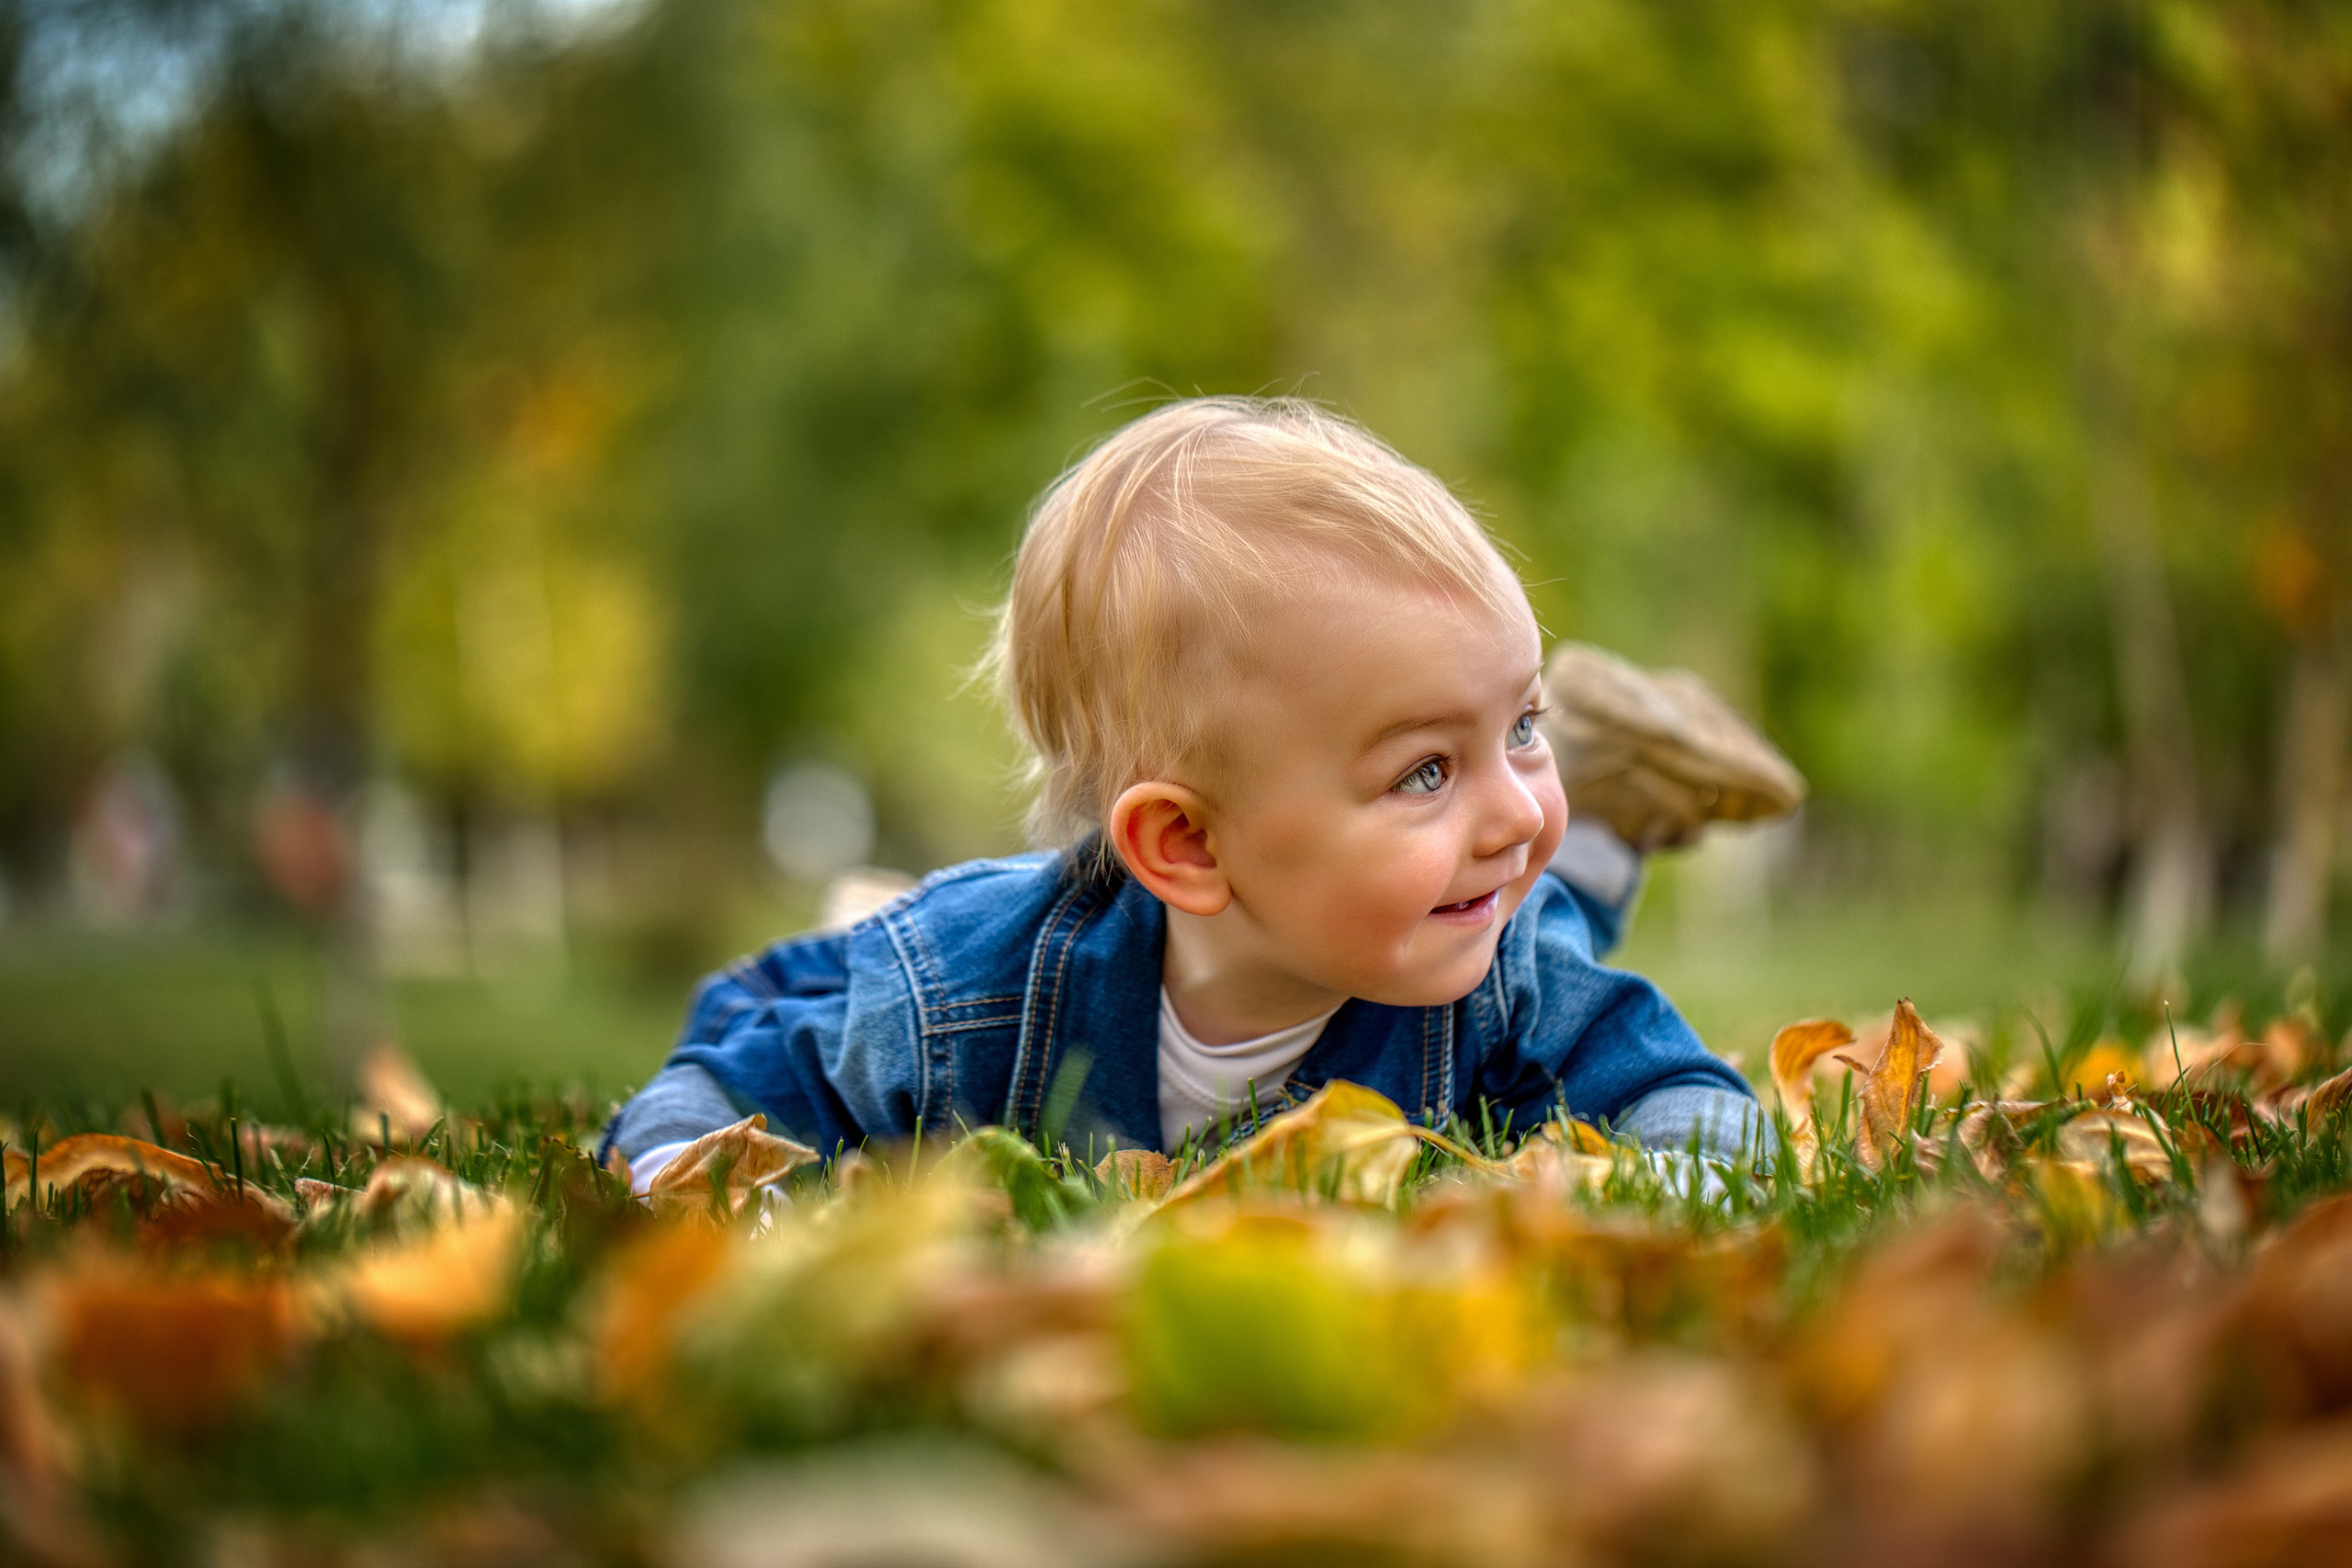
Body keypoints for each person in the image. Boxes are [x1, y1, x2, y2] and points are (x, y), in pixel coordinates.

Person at [601, 399, 1803, 1187]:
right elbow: (716, 1089)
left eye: (1520, 725)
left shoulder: (1499, 967)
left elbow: (1682, 1098)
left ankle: (1597, 793)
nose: (1505, 803)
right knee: (1524, 883)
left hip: (1457, 930)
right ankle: (1593, 778)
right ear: (1185, 842)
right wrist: (686, 1183)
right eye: (1425, 768)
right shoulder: (966, 998)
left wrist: (1669, 1190)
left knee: (1536, 901)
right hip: (918, 941)